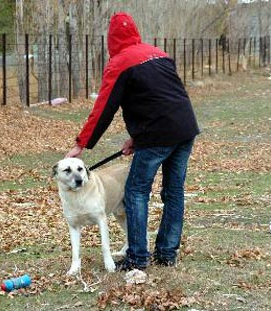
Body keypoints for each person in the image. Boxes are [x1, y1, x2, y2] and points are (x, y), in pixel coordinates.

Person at [65, 12, 200, 271]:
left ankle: (138, 257)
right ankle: (167, 254)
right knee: (174, 192)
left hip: (157, 135)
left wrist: (82, 143)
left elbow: (104, 107)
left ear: (112, 39)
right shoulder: (159, 54)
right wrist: (136, 138)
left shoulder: (119, 63)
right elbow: (161, 99)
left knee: (136, 191)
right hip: (185, 128)